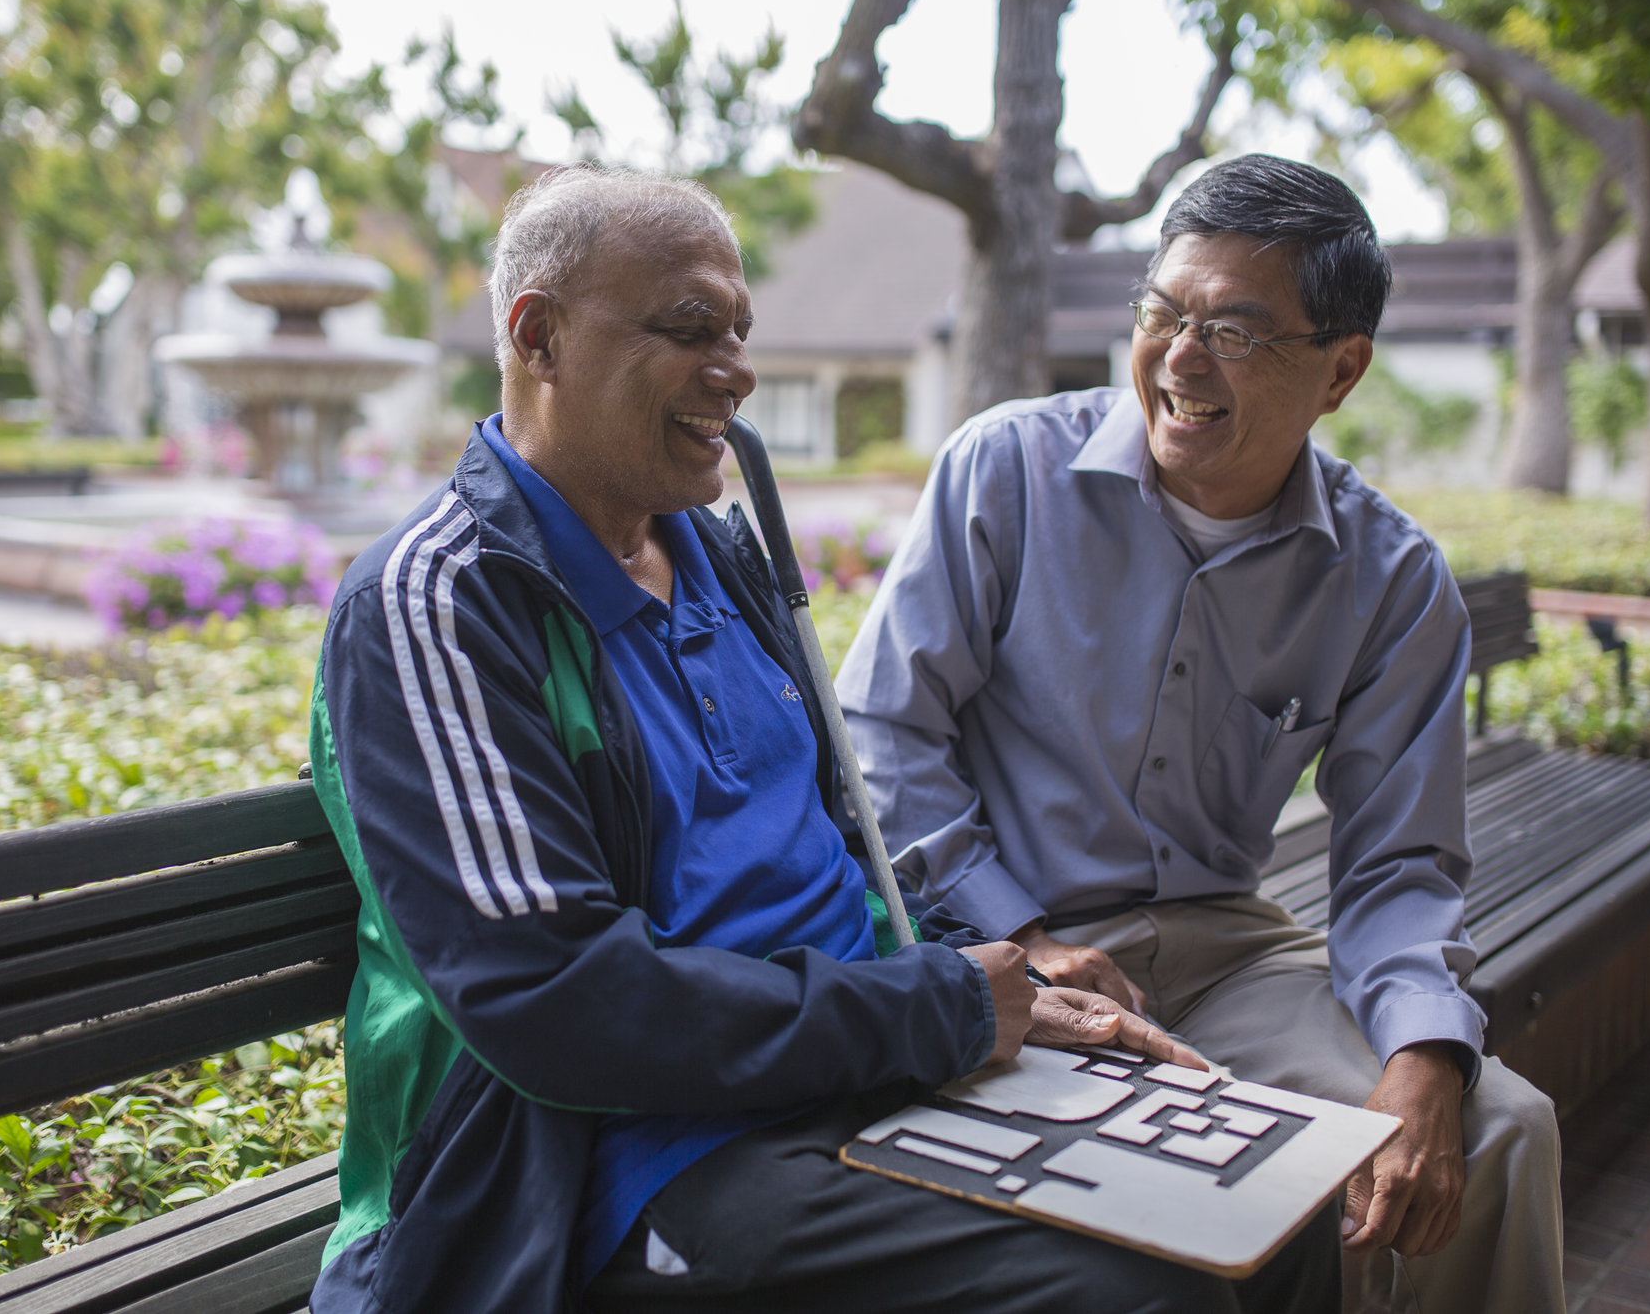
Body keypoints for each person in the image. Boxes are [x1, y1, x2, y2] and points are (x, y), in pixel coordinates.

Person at [305, 165, 1342, 1314]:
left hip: (855, 1068)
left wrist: (992, 960)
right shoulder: (443, 602)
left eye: (741, 332)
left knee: (1278, 1218)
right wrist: (938, 1009)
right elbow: (556, 1004)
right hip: (626, 1158)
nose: (737, 370)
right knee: (1151, 1295)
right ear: (538, 338)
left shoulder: (714, 559)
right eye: (691, 327)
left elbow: (837, 839)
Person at [838, 153, 1564, 1314]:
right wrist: (1015, 929)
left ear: (1340, 370)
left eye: (1233, 331)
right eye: (1163, 313)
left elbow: (1397, 861)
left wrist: (1426, 1054)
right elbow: (882, 728)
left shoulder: (1387, 578)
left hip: (1226, 948)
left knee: (1498, 1135)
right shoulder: (1006, 471)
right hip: (1003, 939)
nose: (1178, 358)